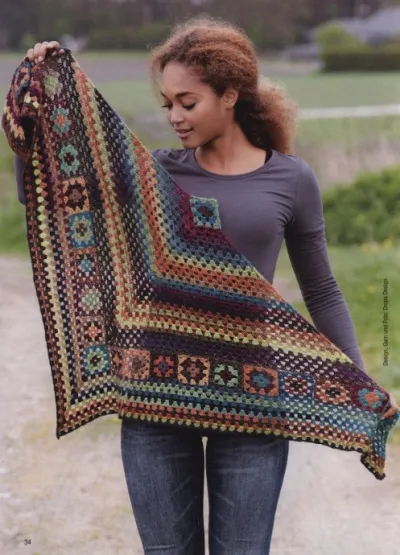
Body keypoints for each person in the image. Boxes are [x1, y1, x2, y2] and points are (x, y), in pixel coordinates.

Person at [17, 16, 398, 555]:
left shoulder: (291, 179)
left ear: (230, 95)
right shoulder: (156, 174)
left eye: (187, 102)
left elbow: (321, 289)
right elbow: (55, 194)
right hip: (155, 398)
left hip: (253, 398)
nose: (174, 116)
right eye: (167, 103)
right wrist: (36, 114)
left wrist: (358, 380)